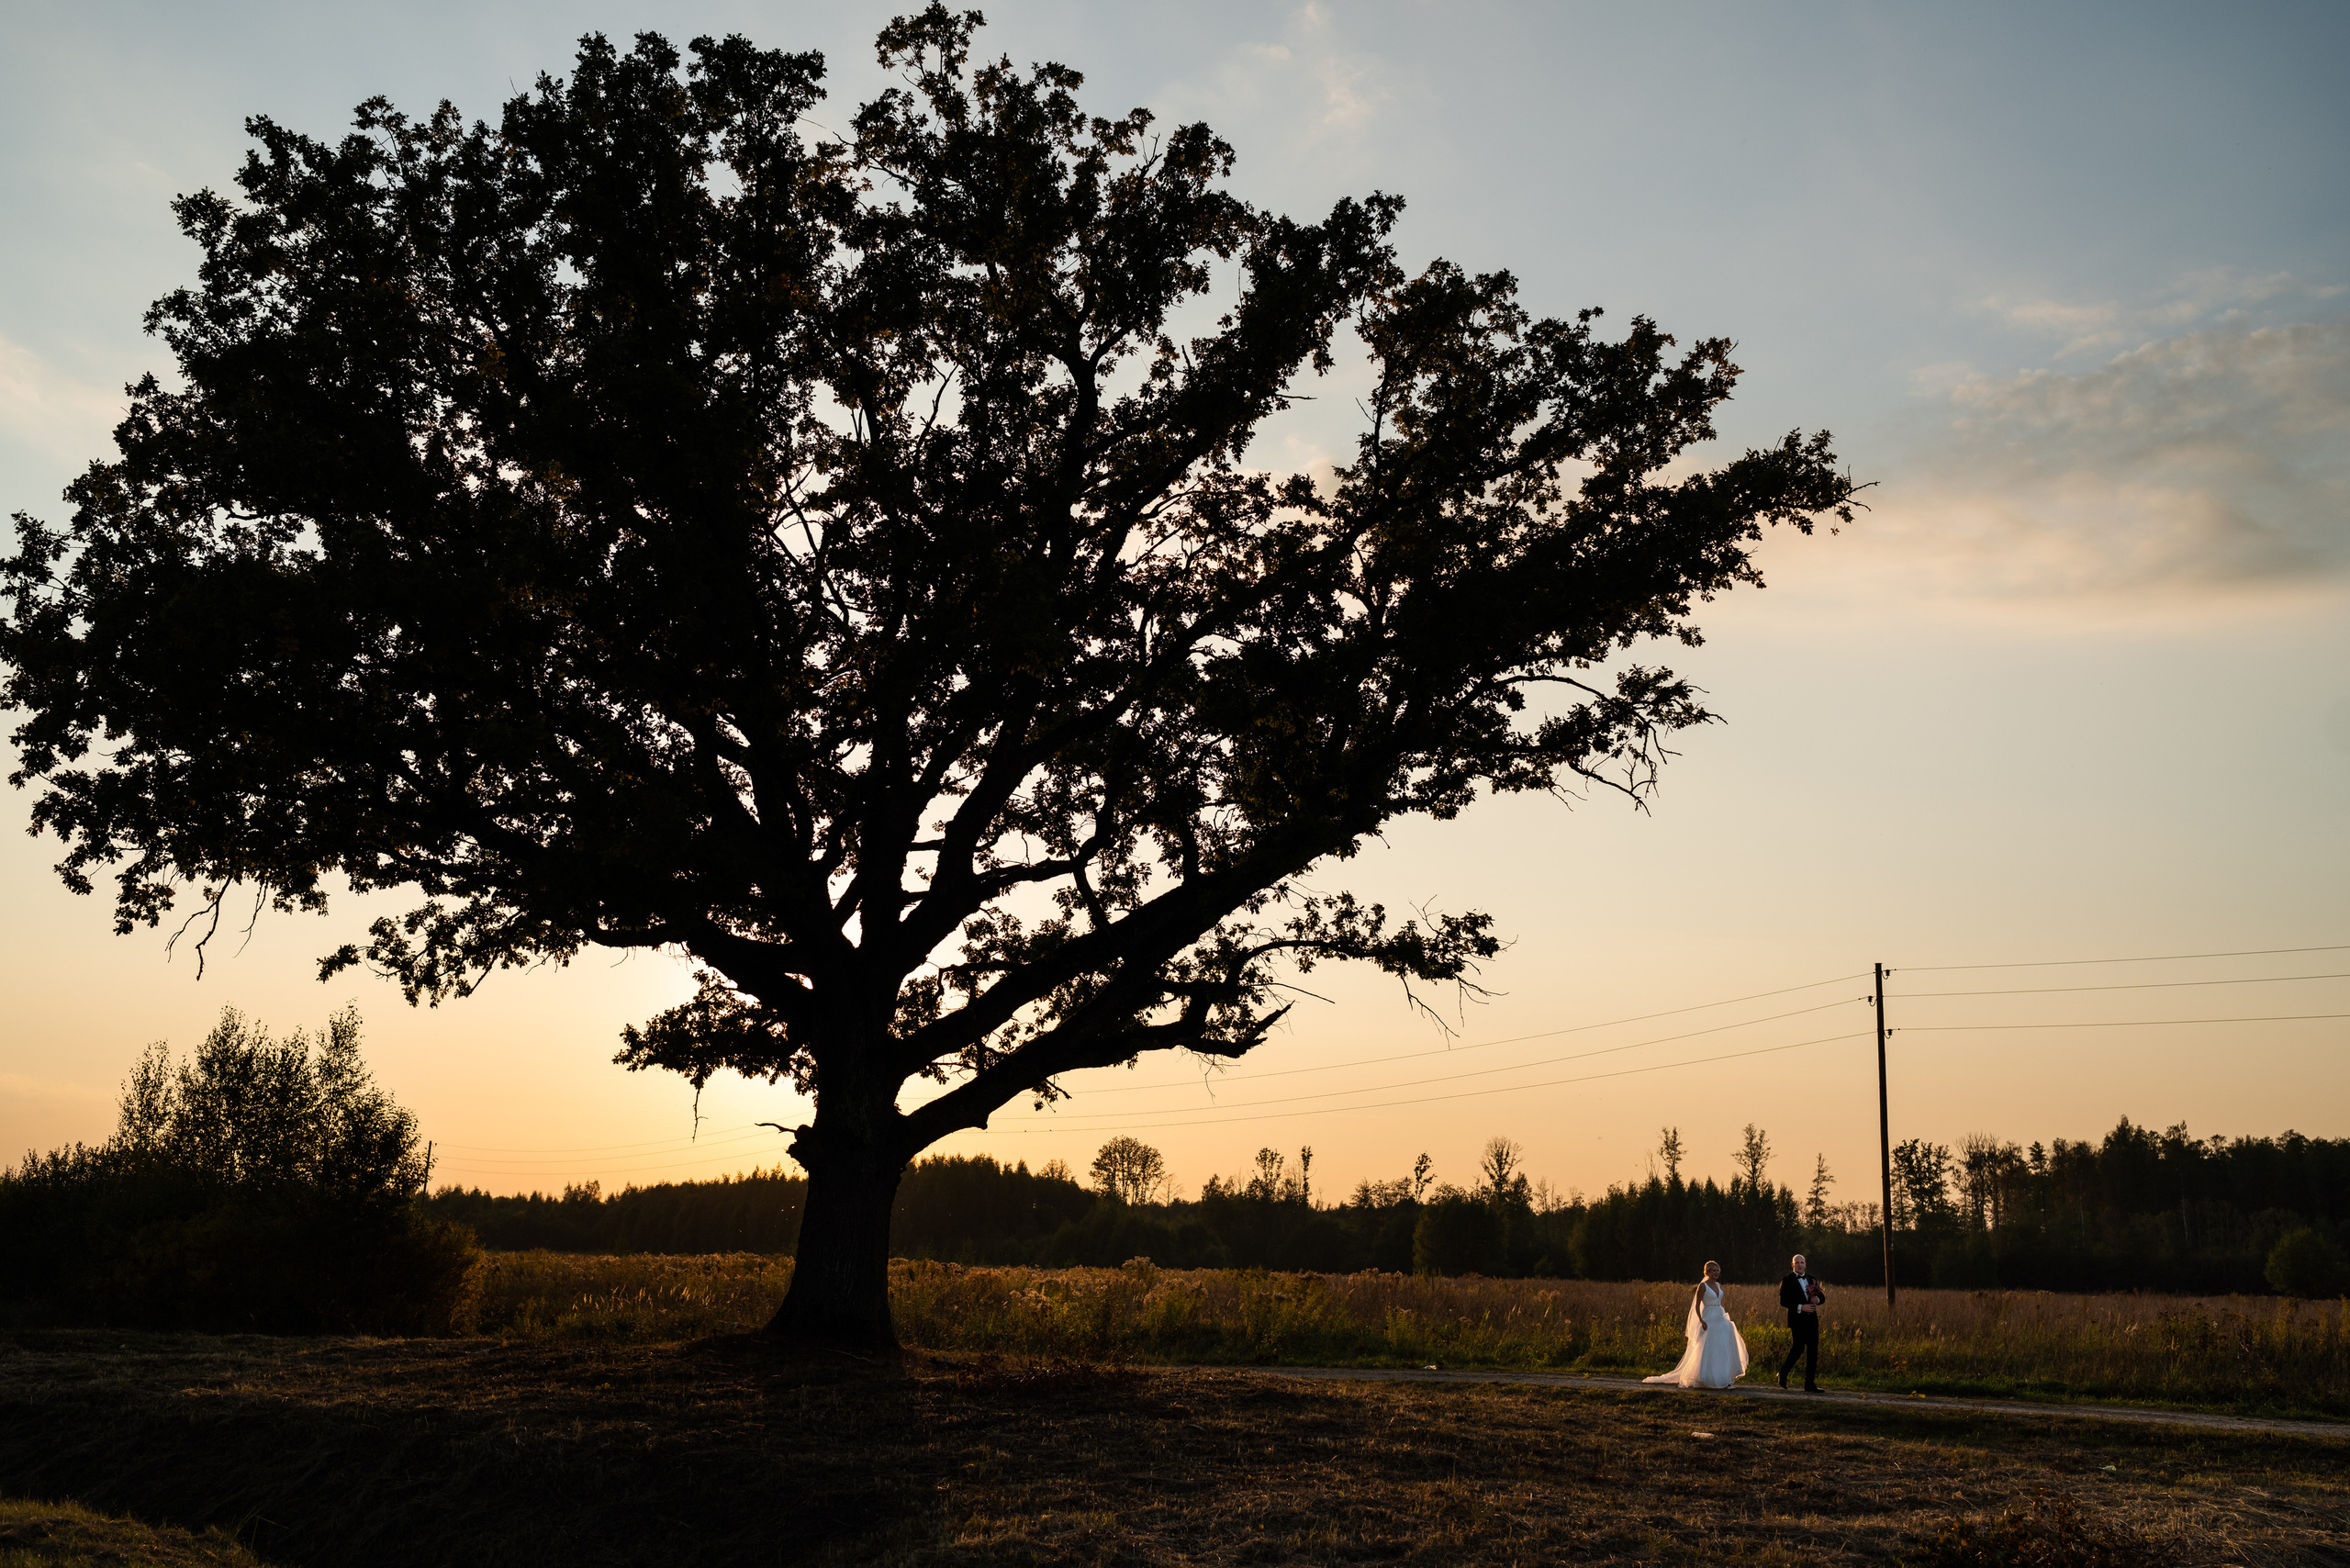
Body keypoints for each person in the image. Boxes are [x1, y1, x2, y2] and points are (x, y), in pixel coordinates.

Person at [1641, 1260, 1748, 1390]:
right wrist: (1701, 1320)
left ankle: (1723, 1378)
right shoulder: (1703, 1286)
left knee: (1723, 1346)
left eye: (1718, 1270)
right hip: (1709, 1317)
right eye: (1714, 1271)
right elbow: (1697, 1306)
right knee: (1709, 1347)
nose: (1717, 1273)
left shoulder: (1718, 1285)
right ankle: (1706, 1378)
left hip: (1720, 1316)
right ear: (1708, 1272)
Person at [1778, 1252, 1825, 1392]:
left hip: (1812, 1321)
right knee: (1797, 1349)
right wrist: (1800, 1307)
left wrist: (1818, 1300)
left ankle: (1809, 1384)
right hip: (1797, 1321)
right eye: (1797, 1262)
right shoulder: (1787, 1280)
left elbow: (1822, 1298)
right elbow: (1783, 1301)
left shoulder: (1812, 1279)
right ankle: (1783, 1374)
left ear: (1805, 1264)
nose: (1800, 1265)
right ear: (1792, 1265)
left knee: (1813, 1352)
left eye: (1802, 1263)